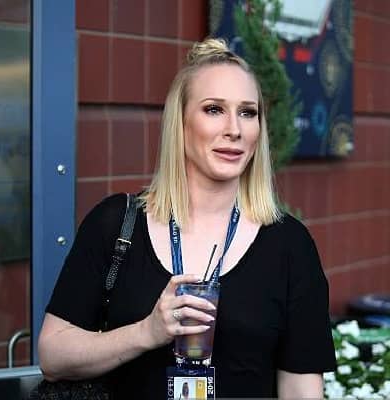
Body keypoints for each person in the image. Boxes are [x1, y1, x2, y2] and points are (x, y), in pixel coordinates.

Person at [38, 38, 336, 398]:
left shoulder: (289, 244)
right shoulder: (117, 224)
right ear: (179, 122)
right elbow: (52, 356)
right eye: (214, 109)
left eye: (247, 112)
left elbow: (302, 389)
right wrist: (146, 332)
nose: (234, 129)